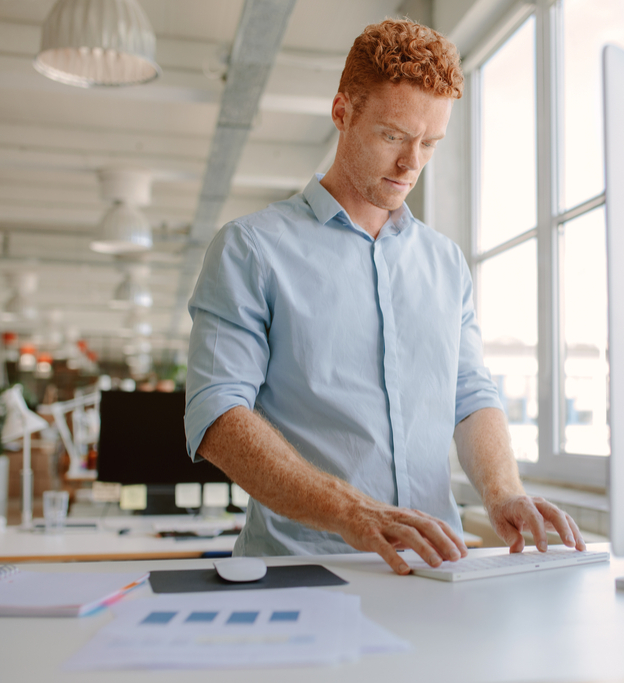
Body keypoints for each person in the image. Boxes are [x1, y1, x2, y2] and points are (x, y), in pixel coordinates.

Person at [184, 18, 585, 575]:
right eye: (393, 136)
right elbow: (218, 415)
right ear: (342, 112)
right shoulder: (251, 248)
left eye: (430, 143)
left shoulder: (445, 263)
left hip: (434, 571)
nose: (411, 163)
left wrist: (503, 492)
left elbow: (469, 395)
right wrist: (353, 511)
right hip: (299, 572)